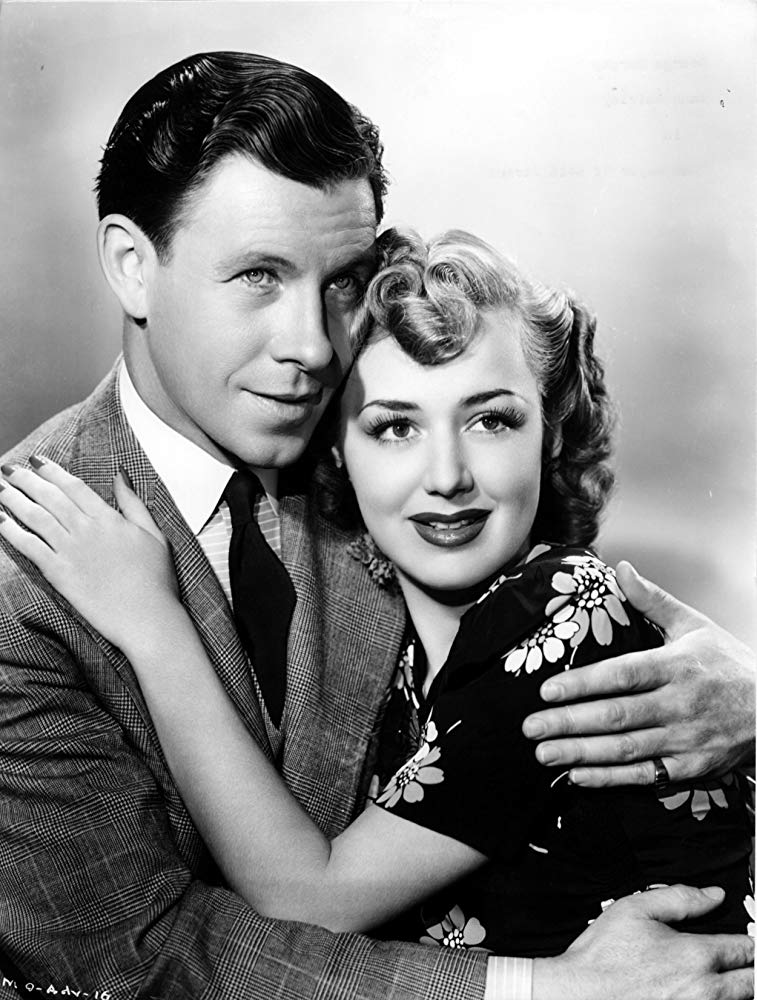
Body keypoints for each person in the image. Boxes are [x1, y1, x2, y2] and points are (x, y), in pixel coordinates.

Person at [0, 50, 752, 1000]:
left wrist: (746, 690)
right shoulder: (23, 582)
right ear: (130, 267)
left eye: (342, 279)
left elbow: (580, 633)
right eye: (258, 275)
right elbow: (134, 955)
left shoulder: (366, 439)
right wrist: (540, 991)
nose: (312, 346)